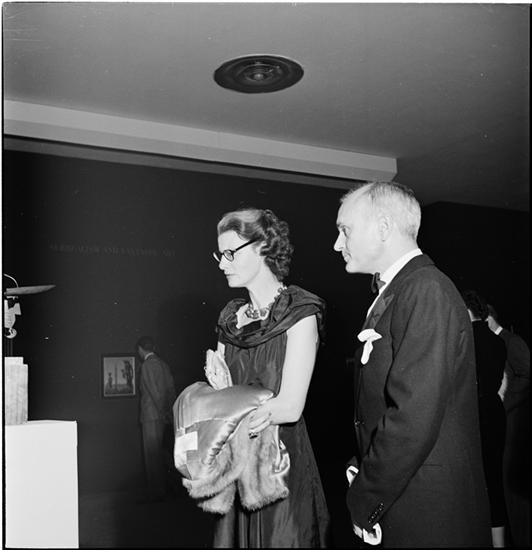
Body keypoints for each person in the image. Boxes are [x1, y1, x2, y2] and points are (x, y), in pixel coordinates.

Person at [333, 181, 491, 547]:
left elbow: (412, 416)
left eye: (345, 230)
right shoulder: (402, 289)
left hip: (427, 509)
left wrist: (364, 497)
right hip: (408, 495)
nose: (337, 244)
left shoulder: (425, 289)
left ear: (384, 227)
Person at [210, 207, 330, 547]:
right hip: (235, 465)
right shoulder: (230, 319)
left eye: (230, 253)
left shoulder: (300, 312)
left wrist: (225, 408)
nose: (222, 264)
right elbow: (222, 398)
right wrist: (217, 391)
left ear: (262, 247)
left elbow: (289, 407)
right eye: (219, 255)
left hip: (280, 464)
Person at [462, 290, 508, 547]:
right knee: (494, 481)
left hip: (473, 415)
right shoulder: (498, 341)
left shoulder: (464, 340)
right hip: (494, 412)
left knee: (473, 485)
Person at [487, 305, 530, 548]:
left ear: (489, 318)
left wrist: (504, 403)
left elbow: (528, 374)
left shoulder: (511, 341)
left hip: (514, 425)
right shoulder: (497, 343)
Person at [136, 335, 177, 501]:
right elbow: (171, 390)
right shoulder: (163, 364)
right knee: (161, 453)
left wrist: (162, 412)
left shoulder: (147, 365)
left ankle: (156, 492)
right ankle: (166, 488)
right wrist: (169, 412)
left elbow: (155, 393)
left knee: (151, 455)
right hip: (162, 416)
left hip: (151, 416)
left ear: (140, 349)